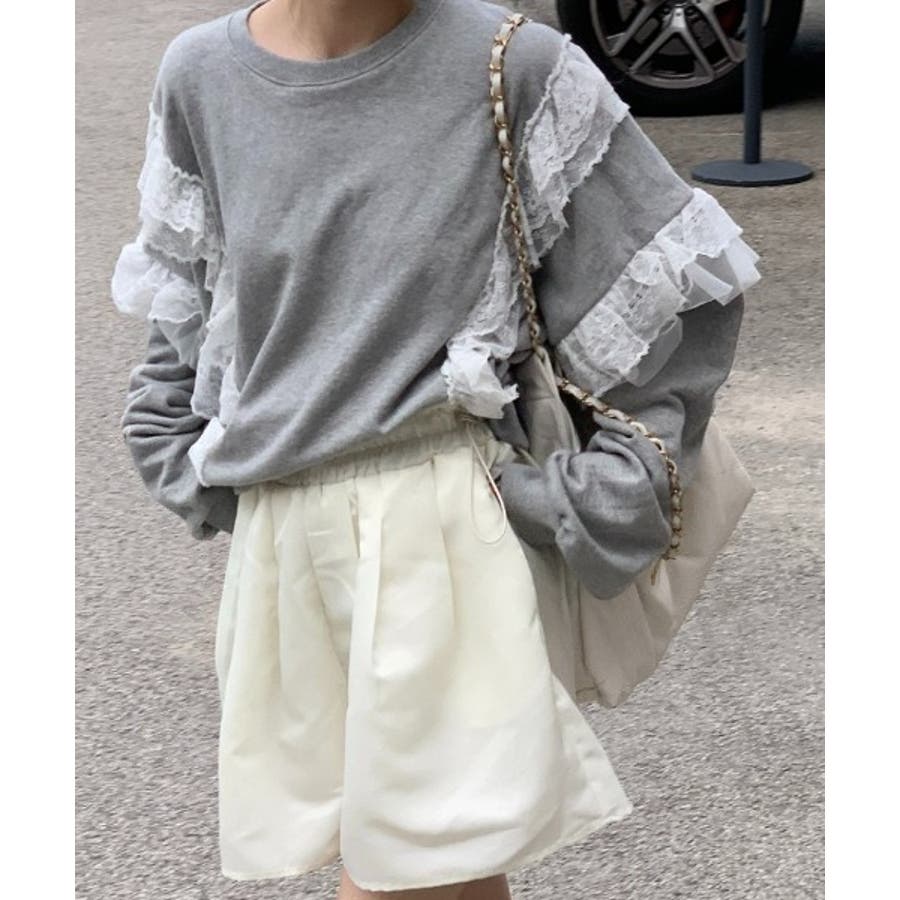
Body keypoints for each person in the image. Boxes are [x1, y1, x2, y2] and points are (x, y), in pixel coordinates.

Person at [110, 1, 760, 897]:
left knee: (409, 869)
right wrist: (188, 457)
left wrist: (584, 493)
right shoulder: (200, 76)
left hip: (447, 541)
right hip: (285, 547)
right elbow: (189, 304)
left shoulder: (513, 65)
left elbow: (676, 282)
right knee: (440, 867)